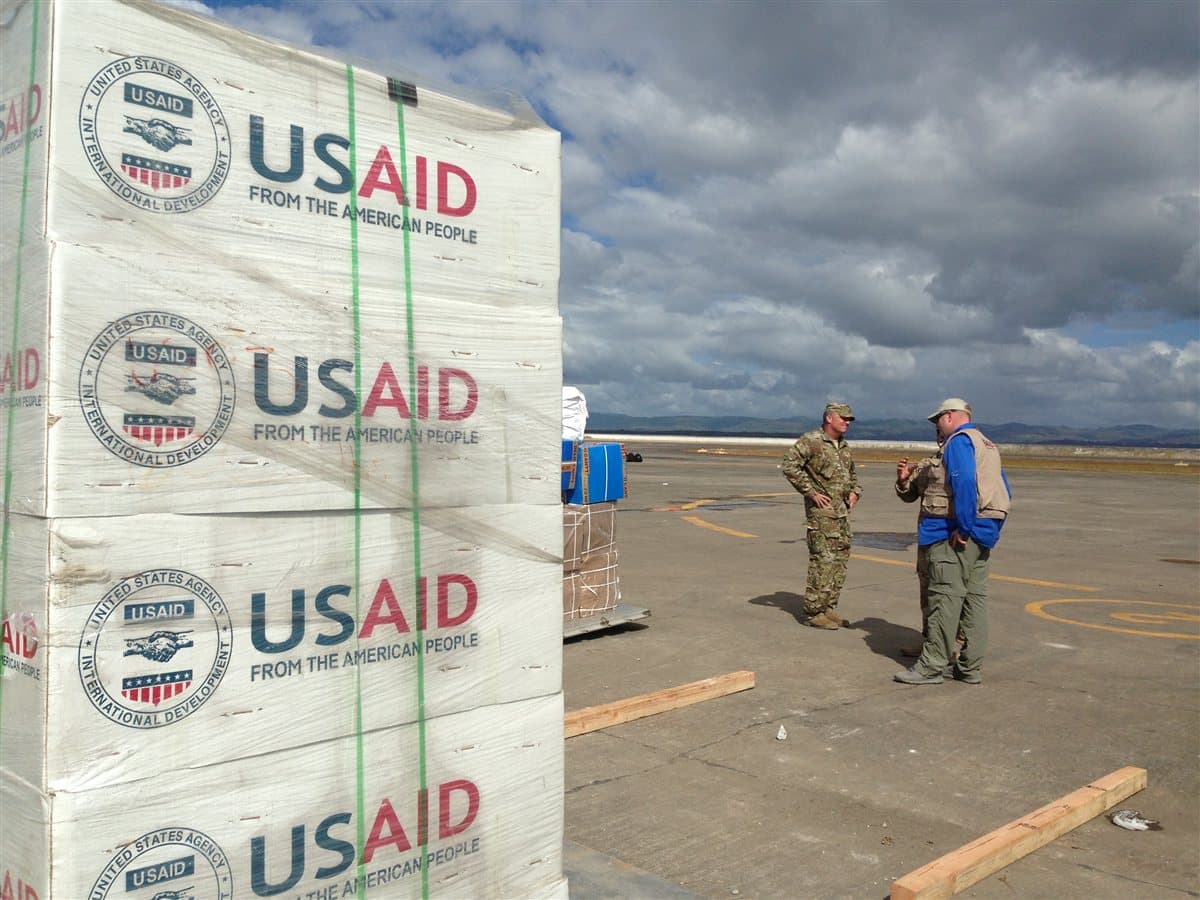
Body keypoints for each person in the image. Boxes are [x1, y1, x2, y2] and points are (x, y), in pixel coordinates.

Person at [894, 399, 1011, 685]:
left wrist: (964, 525)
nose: (937, 426)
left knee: (943, 599)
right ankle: (970, 667)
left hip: (953, 534)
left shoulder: (959, 442)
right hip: (982, 533)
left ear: (949, 416)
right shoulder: (987, 444)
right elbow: (1002, 489)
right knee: (974, 601)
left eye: (939, 420)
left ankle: (931, 667)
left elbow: (964, 484)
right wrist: (989, 530)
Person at [782, 402, 863, 629]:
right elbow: (790, 466)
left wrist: (856, 492)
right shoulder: (812, 441)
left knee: (839, 561)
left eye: (849, 419)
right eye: (843, 418)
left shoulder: (843, 447)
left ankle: (828, 607)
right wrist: (811, 493)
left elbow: (852, 475)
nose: (847, 422)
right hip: (822, 515)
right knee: (822, 562)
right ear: (829, 418)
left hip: (842, 514)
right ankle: (814, 611)